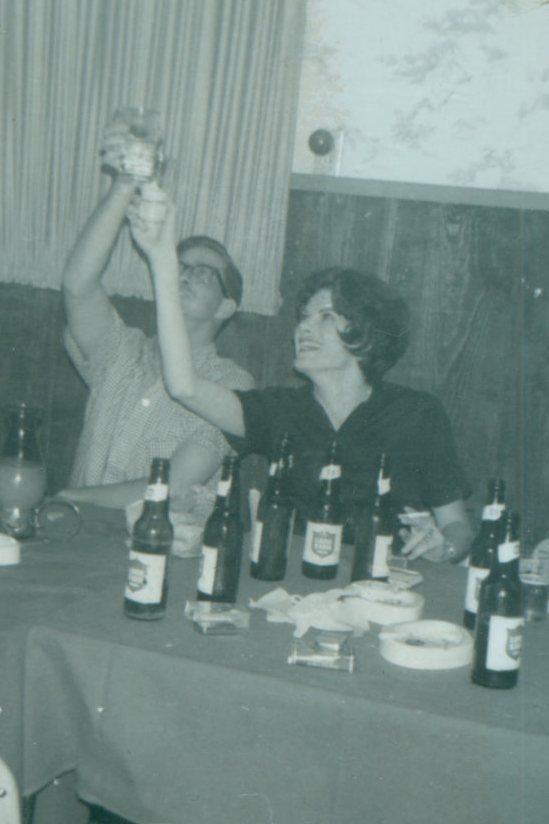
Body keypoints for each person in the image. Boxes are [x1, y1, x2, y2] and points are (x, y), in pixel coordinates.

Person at [131, 208, 474, 563]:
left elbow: (456, 526)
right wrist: (161, 263)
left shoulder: (418, 414)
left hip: (384, 587)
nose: (303, 329)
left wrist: (443, 547)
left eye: (326, 317)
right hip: (291, 586)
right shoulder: (279, 410)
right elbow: (184, 386)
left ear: (366, 335)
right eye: (304, 318)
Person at [60, 172, 255, 510]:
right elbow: (77, 286)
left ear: (226, 307)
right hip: (78, 538)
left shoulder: (231, 384)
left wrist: (70, 498)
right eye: (181, 265)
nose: (186, 274)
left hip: (156, 545)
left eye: (205, 272)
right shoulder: (122, 347)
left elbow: (176, 484)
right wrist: (124, 184)